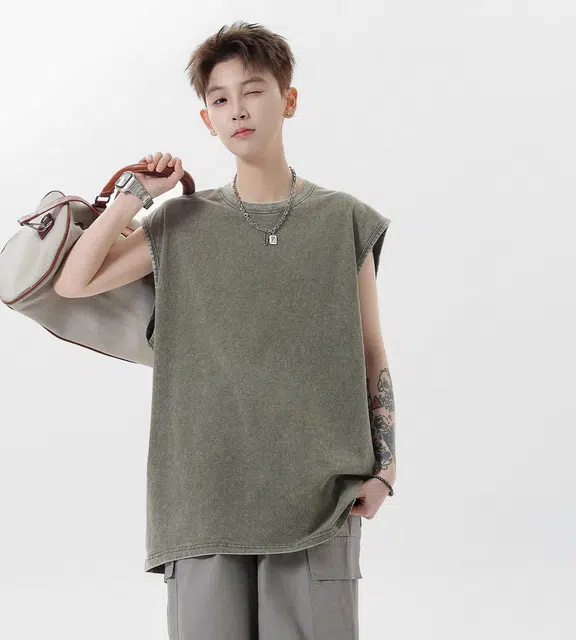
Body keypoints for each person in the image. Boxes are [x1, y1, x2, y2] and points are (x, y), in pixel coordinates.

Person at [54, 20, 396, 640]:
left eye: (254, 90)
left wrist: (386, 470)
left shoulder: (344, 220)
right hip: (204, 500)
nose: (237, 109)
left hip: (321, 498)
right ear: (206, 118)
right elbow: (75, 282)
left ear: (289, 100)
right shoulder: (182, 222)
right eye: (220, 98)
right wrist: (136, 194)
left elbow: (371, 351)